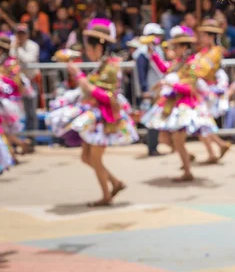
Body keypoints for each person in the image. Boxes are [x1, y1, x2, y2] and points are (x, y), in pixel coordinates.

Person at [45, 19, 138, 207]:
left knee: (94, 158)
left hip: (103, 118)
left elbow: (102, 95)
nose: (86, 51)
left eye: (89, 47)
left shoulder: (111, 66)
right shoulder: (103, 64)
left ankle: (106, 195)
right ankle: (115, 182)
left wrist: (78, 76)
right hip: (95, 117)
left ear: (98, 47)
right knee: (86, 157)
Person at [141, 26, 218, 181]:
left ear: (184, 47)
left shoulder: (192, 64)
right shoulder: (179, 62)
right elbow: (165, 69)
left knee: (177, 139)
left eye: (175, 47)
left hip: (185, 105)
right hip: (174, 104)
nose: (173, 49)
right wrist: (153, 55)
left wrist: (169, 85)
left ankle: (188, 171)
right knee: (166, 138)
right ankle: (187, 160)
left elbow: (189, 88)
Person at [194, 19, 231, 163]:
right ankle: (219, 147)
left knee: (201, 122)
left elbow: (203, 70)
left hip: (209, 91)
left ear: (210, 37)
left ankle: (215, 150)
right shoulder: (204, 51)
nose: (200, 38)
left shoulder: (215, 52)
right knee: (202, 122)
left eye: (203, 35)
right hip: (202, 89)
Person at [134, 23, 166, 157]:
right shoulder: (142, 52)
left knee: (154, 119)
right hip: (150, 92)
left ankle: (151, 143)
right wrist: (145, 90)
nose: (158, 38)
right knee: (152, 120)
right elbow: (142, 74)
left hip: (157, 90)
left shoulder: (155, 50)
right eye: (155, 35)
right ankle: (152, 148)